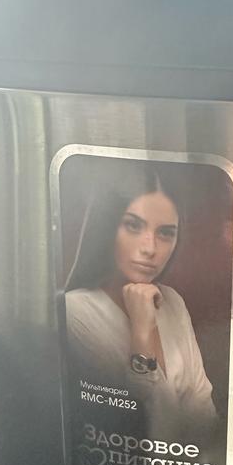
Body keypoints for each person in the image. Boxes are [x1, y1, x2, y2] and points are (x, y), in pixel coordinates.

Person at [64, 163, 216, 425]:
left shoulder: (172, 301)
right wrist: (142, 331)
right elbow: (135, 421)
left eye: (165, 233)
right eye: (133, 226)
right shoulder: (74, 311)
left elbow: (204, 412)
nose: (150, 248)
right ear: (107, 227)